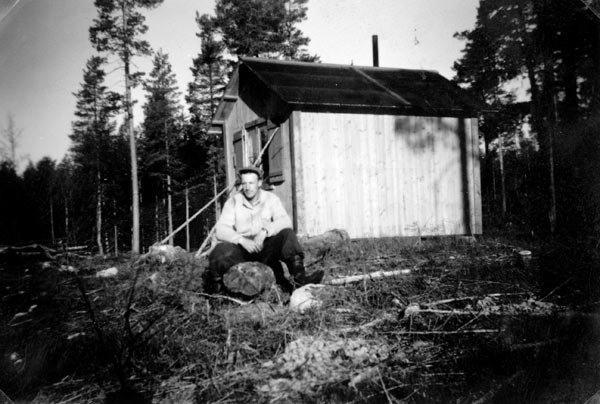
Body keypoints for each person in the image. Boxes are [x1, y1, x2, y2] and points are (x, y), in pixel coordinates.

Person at [207, 166, 324, 294]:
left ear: (259, 183)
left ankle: (300, 279)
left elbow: (285, 221)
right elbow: (221, 229)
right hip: (242, 251)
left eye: (251, 183)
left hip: (264, 248)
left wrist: (265, 231)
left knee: (287, 234)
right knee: (220, 250)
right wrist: (241, 240)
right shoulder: (233, 202)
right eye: (244, 183)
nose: (247, 187)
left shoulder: (271, 198)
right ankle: (220, 293)